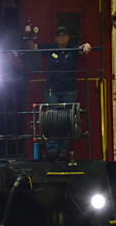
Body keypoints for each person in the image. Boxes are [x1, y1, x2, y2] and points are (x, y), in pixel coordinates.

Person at [28, 26, 91, 159]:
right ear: (56, 38)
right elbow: (33, 47)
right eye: (59, 35)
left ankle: (63, 151)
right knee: (52, 118)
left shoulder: (73, 50)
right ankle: (52, 149)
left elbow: (83, 50)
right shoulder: (50, 49)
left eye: (64, 35)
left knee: (67, 120)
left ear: (68, 37)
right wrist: (28, 34)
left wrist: (86, 45)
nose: (62, 37)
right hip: (53, 89)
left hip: (69, 89)